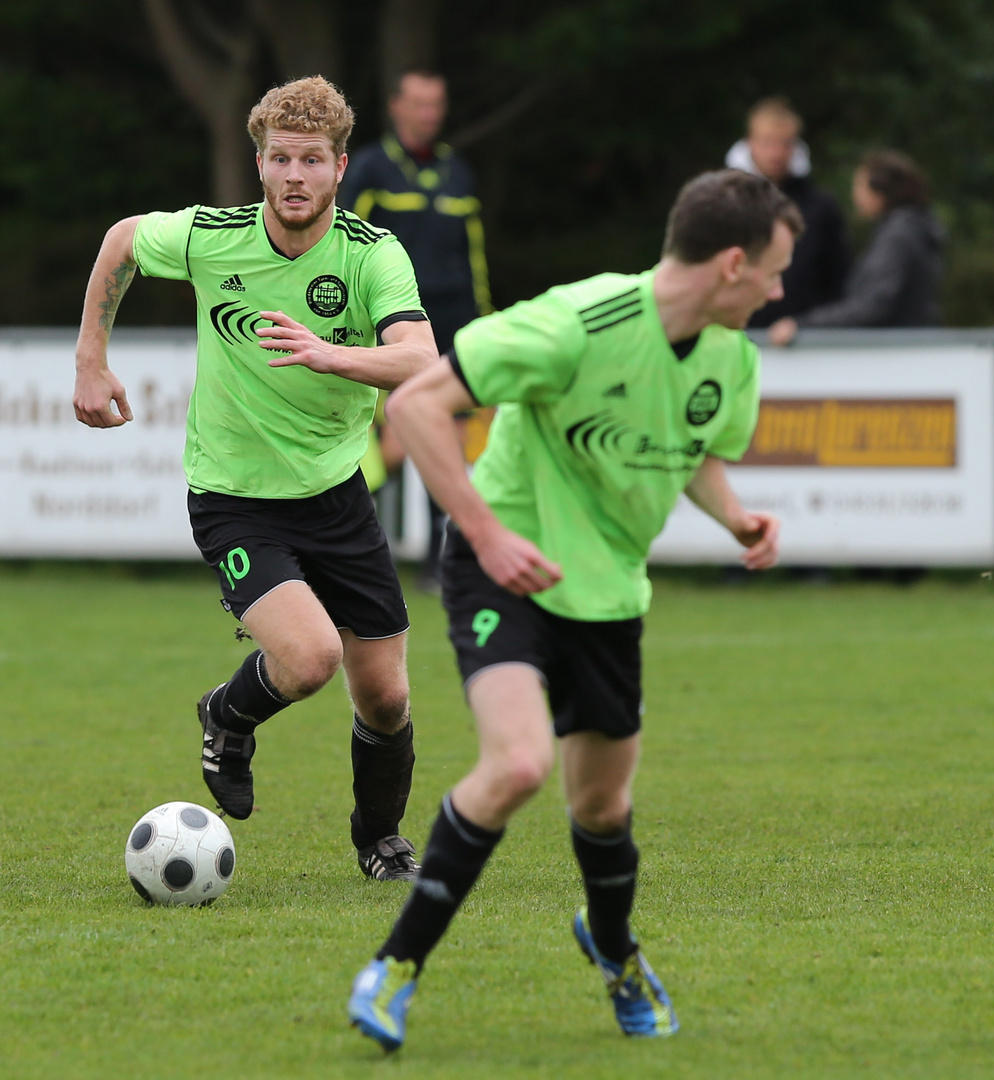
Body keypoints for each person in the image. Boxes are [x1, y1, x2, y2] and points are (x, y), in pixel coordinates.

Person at [345, 170, 797, 1050]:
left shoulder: (729, 358)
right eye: (777, 272)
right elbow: (417, 404)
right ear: (734, 263)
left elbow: (692, 448)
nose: (782, 291)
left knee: (601, 809)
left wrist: (736, 515)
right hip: (504, 571)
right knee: (516, 766)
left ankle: (616, 948)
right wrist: (485, 532)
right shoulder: (576, 322)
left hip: (608, 595)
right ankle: (393, 969)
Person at [70, 77, 438, 878]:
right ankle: (228, 715)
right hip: (234, 498)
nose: (295, 175)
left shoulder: (373, 254)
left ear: (341, 168)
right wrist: (91, 359)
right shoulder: (213, 237)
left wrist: (329, 352)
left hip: (338, 496)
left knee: (387, 697)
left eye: (312, 159)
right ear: (260, 166)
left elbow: (419, 358)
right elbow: (124, 240)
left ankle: (380, 841)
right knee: (310, 660)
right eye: (279, 159)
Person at [340, 70, 494, 588]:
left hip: (450, 329)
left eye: (437, 104)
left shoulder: (458, 172)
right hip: (387, 328)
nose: (429, 114)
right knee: (384, 446)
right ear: (396, 108)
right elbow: (342, 246)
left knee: (440, 438)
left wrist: (482, 321)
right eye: (419, 104)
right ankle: (353, 550)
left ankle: (436, 555)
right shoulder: (369, 168)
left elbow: (473, 255)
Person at [768, 149, 945, 345]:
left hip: (896, 353)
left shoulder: (898, 236)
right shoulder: (910, 229)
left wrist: (802, 324)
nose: (855, 195)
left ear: (880, 192)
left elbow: (874, 304)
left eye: (860, 186)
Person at [726, 96, 851, 328]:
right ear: (750, 143)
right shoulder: (724, 201)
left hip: (803, 340)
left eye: (784, 144)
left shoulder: (821, 207)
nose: (776, 153)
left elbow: (837, 278)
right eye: (767, 142)